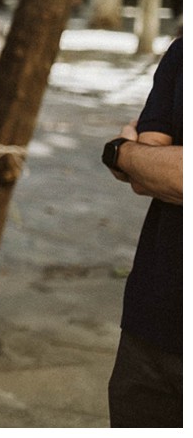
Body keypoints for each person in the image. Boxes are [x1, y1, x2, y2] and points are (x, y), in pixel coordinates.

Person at [102, 37, 181, 427]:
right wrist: (141, 161)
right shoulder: (184, 53)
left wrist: (121, 152)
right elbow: (145, 176)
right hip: (151, 319)